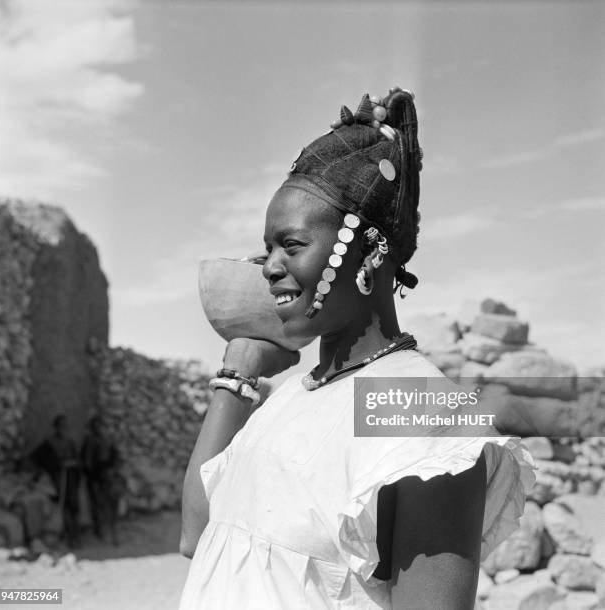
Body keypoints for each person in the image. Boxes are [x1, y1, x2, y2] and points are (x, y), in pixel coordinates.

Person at [179, 88, 535, 609]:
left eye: (292, 245)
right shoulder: (295, 396)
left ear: (369, 253)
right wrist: (240, 369)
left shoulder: (420, 409)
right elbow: (198, 534)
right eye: (267, 248)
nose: (270, 266)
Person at [32, 414, 82, 548]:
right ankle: (62, 535)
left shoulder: (70, 442)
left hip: (70, 479)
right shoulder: (49, 443)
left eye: (65, 426)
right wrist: (58, 465)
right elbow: (41, 458)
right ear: (56, 428)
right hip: (57, 480)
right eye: (61, 426)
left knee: (74, 507)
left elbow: (77, 460)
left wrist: (72, 464)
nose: (64, 429)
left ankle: (75, 536)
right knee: (61, 507)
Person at [81, 416, 122, 545]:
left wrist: (112, 471)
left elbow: (116, 459)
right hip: (95, 479)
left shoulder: (108, 441)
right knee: (96, 506)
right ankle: (99, 531)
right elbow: (86, 462)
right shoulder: (90, 442)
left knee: (111, 507)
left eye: (100, 426)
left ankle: (112, 533)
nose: (98, 429)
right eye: (96, 426)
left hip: (108, 479)